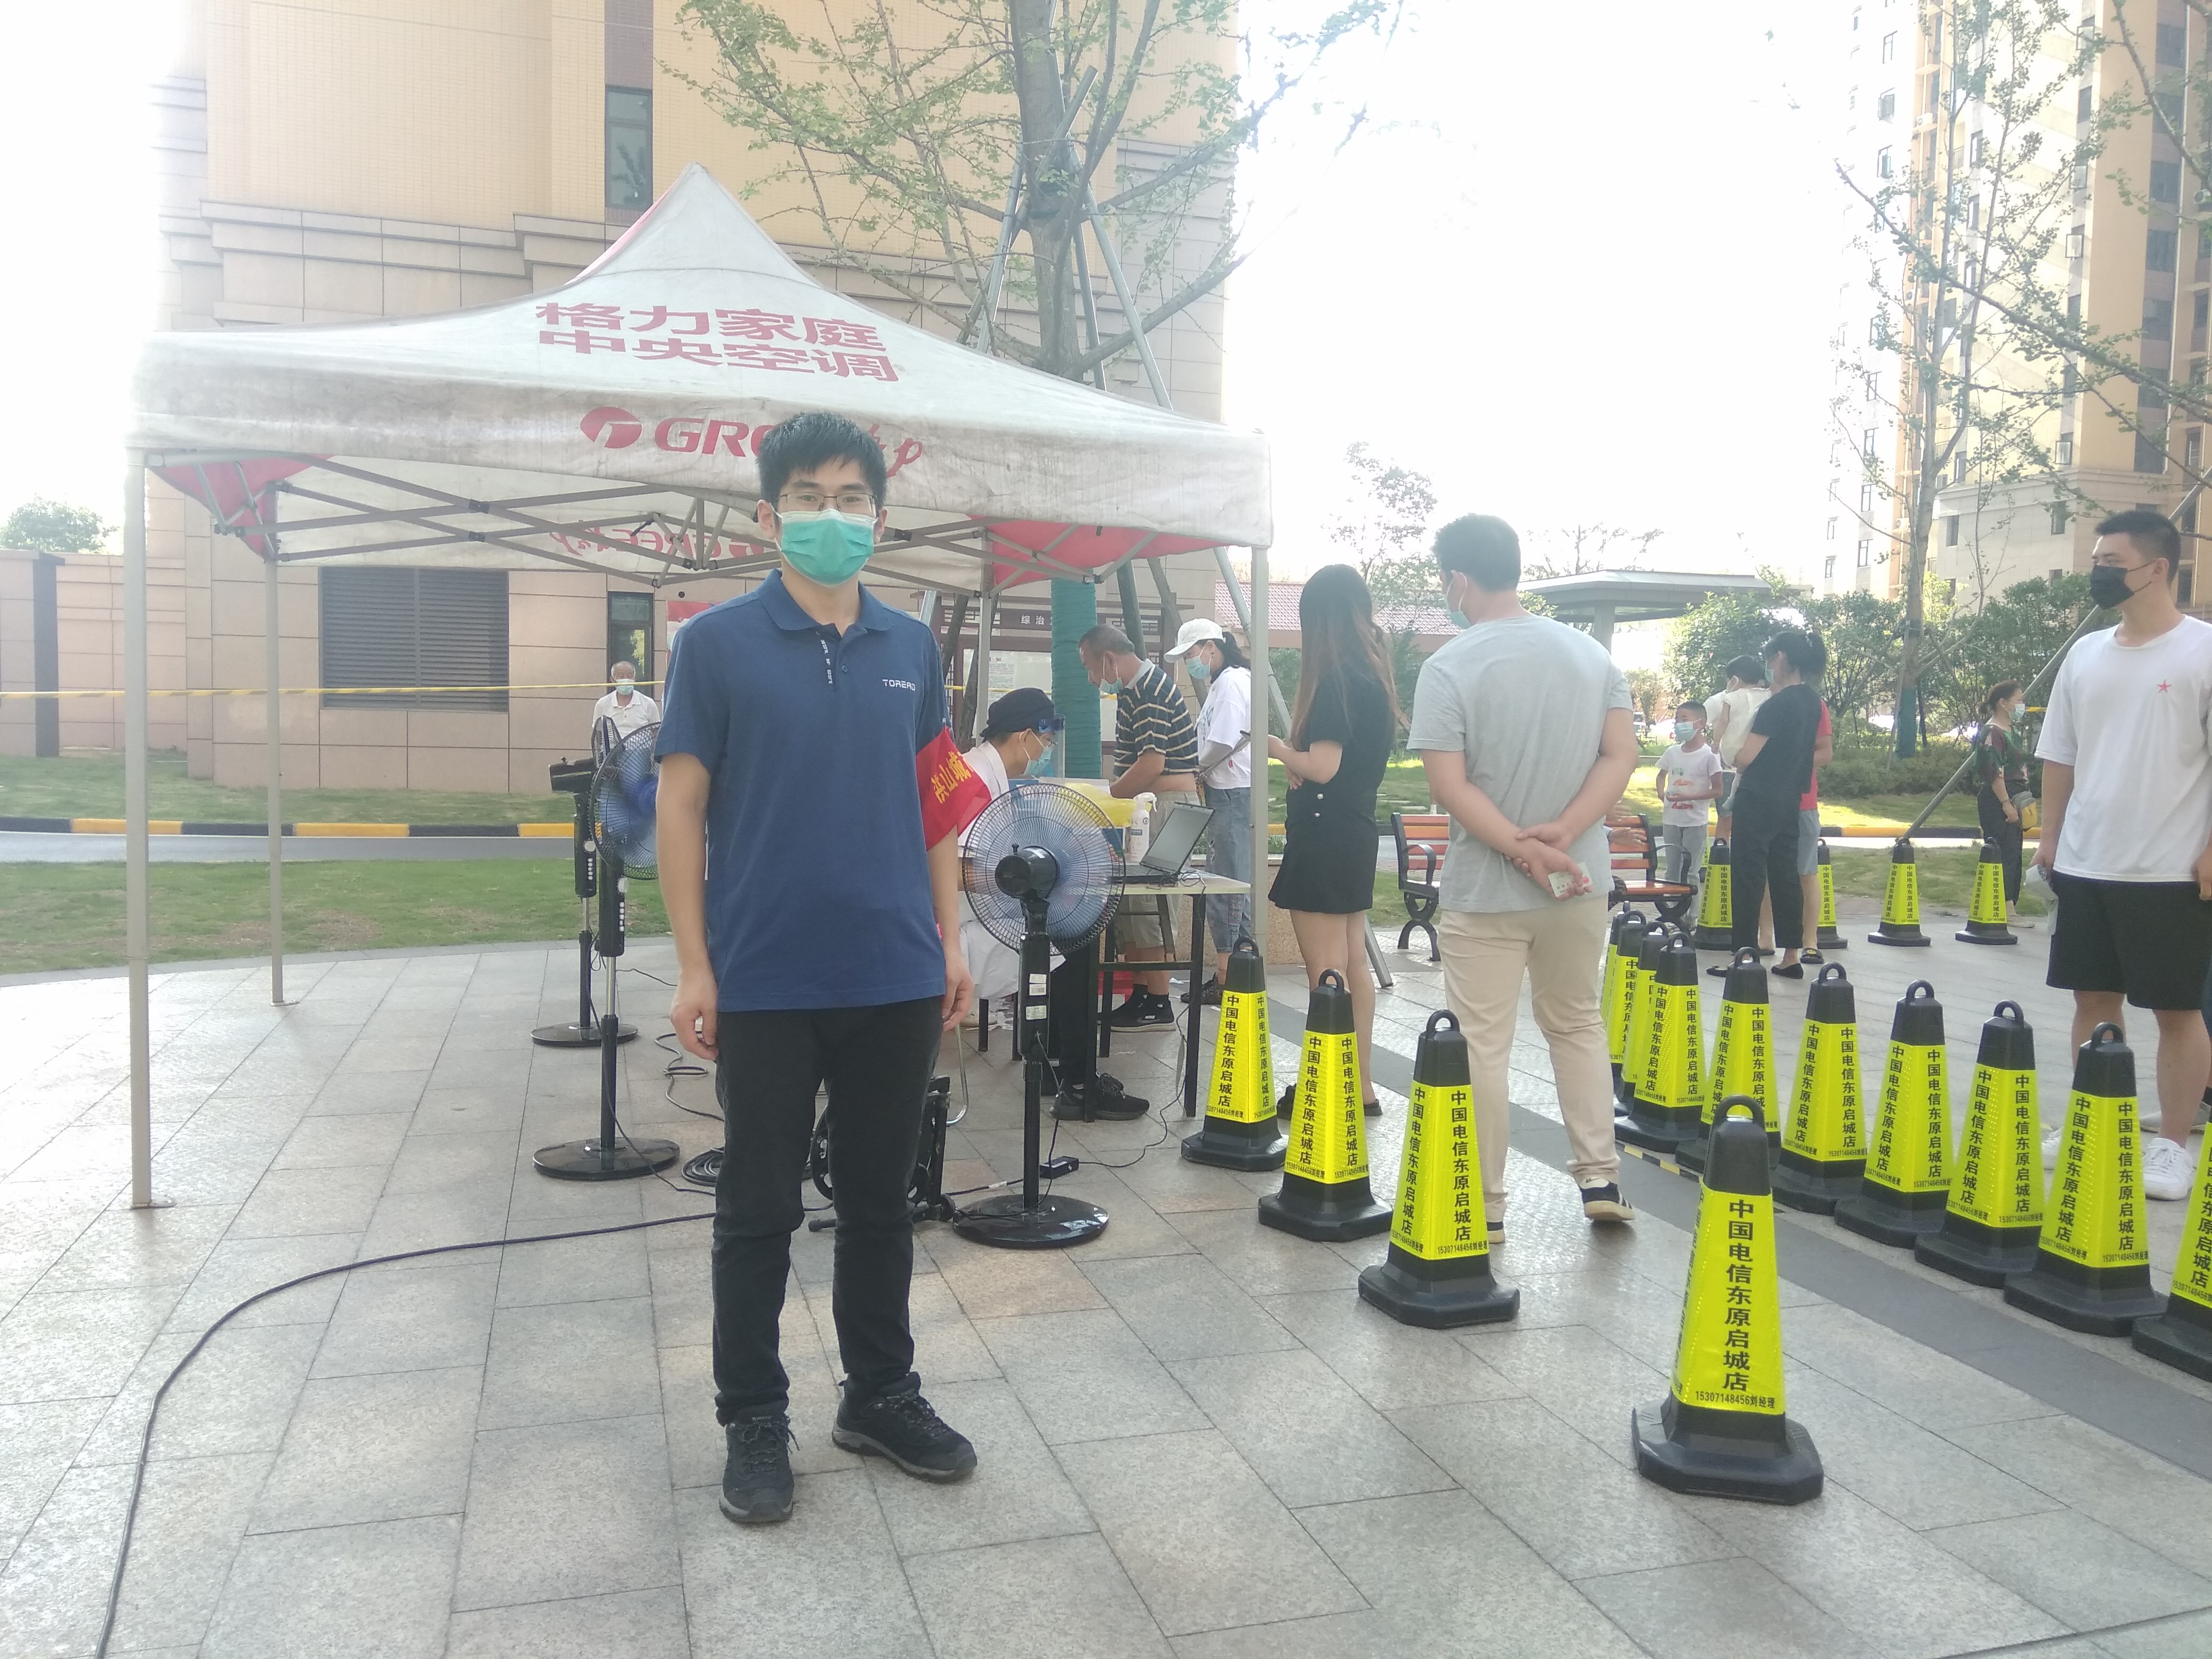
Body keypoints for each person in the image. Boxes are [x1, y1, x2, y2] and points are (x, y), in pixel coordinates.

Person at [658, 412, 977, 1528]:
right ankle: (753, 1416)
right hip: (765, 975)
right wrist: (693, 966)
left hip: (894, 971)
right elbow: (680, 809)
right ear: (769, 515)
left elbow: (937, 807)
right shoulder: (715, 645)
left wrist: (949, 941)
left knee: (883, 1203)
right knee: (756, 1208)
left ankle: (879, 1394)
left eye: (850, 498)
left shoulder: (913, 649)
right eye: (808, 497)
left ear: (879, 517)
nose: (830, 516)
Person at [1410, 515, 1640, 1238]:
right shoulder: (1592, 657)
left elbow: (1448, 786)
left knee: (1482, 1044)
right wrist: (1563, 834)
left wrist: (1519, 848)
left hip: (1487, 891)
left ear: (1459, 579)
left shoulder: (1448, 666)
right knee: (1576, 1023)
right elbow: (1620, 756)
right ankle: (1600, 1176)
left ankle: (1485, 1207)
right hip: (1578, 881)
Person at [2033, 508, 2212, 1202]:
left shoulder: (2201, 651)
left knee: (2175, 1010)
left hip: (2168, 868)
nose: (2099, 574)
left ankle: (2172, 1146)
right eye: (2097, 562)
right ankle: (2093, 1124)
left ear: (2157, 568)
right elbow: (2060, 754)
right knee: (2091, 999)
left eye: (2113, 563)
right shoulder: (2085, 654)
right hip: (2086, 861)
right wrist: (2050, 837)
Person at [1268, 565, 1398, 1118]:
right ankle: (1358, 1085)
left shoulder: (1337, 681)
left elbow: (1322, 766)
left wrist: (1278, 748)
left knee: (1325, 972)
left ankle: (1325, 1086)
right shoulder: (1373, 676)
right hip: (1355, 831)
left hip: (1322, 837)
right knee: (1352, 966)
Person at [1080, 622, 1201, 1027]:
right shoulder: (1134, 691)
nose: (1092, 679)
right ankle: (1142, 994)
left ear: (1109, 659)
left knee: (1152, 905)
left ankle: (1158, 1000)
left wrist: (1109, 796)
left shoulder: (1150, 690)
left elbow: (1152, 763)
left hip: (1166, 805)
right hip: (1149, 805)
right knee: (1134, 904)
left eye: (1091, 668)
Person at [1722, 630, 1828, 981]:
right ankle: (1791, 956)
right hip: (1791, 798)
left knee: (1748, 875)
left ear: (1780, 658)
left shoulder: (1776, 705)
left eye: (1770, 659)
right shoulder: (1812, 701)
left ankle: (1743, 955)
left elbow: (1746, 758)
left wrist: (1730, 751)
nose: (1768, 666)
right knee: (1786, 875)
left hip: (1758, 797)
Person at [1165, 618, 1255, 1003]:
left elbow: (1224, 739)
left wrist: (1194, 768)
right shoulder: (1227, 682)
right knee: (1232, 884)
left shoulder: (1231, 683)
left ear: (1211, 648)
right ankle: (1240, 971)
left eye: (1191, 654)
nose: (1191, 663)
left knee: (1226, 885)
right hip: (1227, 789)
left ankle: (1226, 977)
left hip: (1230, 790)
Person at [959, 688, 1065, 1006]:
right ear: (1026, 736)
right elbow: (955, 872)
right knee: (1059, 937)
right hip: (956, 921)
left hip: (972, 911)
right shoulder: (974, 780)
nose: (1045, 753)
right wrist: (1016, 881)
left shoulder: (986, 772)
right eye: (1046, 743)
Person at [1972, 678, 2031, 925]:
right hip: (2000, 798)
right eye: (2019, 700)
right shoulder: (1993, 733)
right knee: (2003, 852)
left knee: (2014, 853)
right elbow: (1995, 773)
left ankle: (2009, 907)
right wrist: (2006, 803)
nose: (2022, 705)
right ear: (2003, 703)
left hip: (2016, 795)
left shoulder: (2010, 731)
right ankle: (2005, 910)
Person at [1655, 701, 1724, 887]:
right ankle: (1671, 903)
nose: (1679, 724)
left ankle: (1690, 907)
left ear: (1700, 724)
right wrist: (1662, 794)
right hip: (1671, 820)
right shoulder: (1672, 752)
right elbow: (1661, 775)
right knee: (1672, 870)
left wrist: (1687, 797)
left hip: (1695, 821)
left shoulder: (1709, 755)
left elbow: (1718, 790)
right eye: (1677, 720)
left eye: (1684, 720)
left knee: (1691, 871)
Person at [1707, 654, 1769, 843]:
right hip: (1745, 761)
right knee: (1729, 820)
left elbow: (1723, 722)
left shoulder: (1730, 698)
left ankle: (1726, 854)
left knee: (1737, 818)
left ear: (1733, 679)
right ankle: (1724, 854)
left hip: (1735, 756)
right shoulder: (1768, 697)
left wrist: (1715, 743)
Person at [1794, 694, 1834, 964]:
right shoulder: (1760, 701)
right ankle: (1765, 937)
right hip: (1765, 801)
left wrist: (1792, 764)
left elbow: (1825, 751)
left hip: (1803, 802)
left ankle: (1810, 940)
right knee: (1764, 873)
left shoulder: (1812, 703)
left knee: (1806, 871)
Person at [592, 660, 660, 749]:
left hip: (642, 753)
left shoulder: (648, 703)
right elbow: (598, 734)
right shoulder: (602, 704)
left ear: (635, 679)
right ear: (613, 680)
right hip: (612, 753)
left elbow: (656, 731)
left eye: (630, 676)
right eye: (621, 677)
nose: (626, 679)